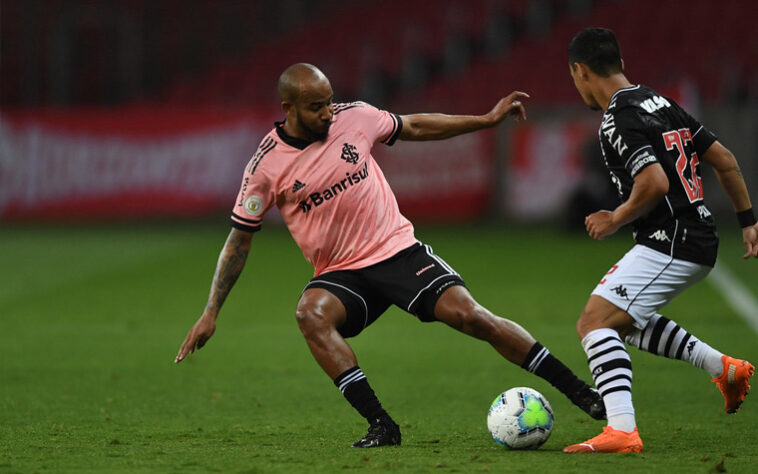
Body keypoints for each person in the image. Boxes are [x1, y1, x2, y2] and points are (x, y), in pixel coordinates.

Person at [175, 63, 605, 448]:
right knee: (310, 314)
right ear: (288, 107)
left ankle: (578, 391)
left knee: (473, 317)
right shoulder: (265, 166)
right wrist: (211, 310)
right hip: (342, 273)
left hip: (397, 251)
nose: (327, 113)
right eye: (315, 107)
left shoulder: (354, 117)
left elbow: (414, 125)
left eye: (328, 102)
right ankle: (382, 425)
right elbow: (239, 240)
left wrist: (487, 120)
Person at [563, 27, 757, 454]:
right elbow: (725, 159)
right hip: (691, 235)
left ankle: (621, 431)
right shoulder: (660, 102)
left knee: (593, 323)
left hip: (672, 240)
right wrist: (748, 220)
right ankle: (724, 369)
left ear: (579, 71)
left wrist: (616, 217)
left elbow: (653, 181)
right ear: (621, 64)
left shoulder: (617, 118)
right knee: (624, 322)